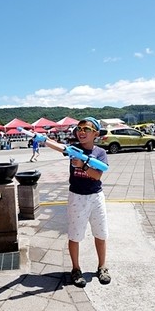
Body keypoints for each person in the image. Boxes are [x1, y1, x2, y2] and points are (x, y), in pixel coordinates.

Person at [67, 117, 111, 288]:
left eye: (86, 129)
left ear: (96, 134)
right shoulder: (73, 149)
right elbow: (58, 148)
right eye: (79, 129)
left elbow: (98, 175)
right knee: (75, 234)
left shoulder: (100, 153)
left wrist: (83, 165)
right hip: (76, 196)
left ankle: (102, 266)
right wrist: (42, 139)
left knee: (101, 233)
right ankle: (76, 269)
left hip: (96, 197)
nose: (81, 132)